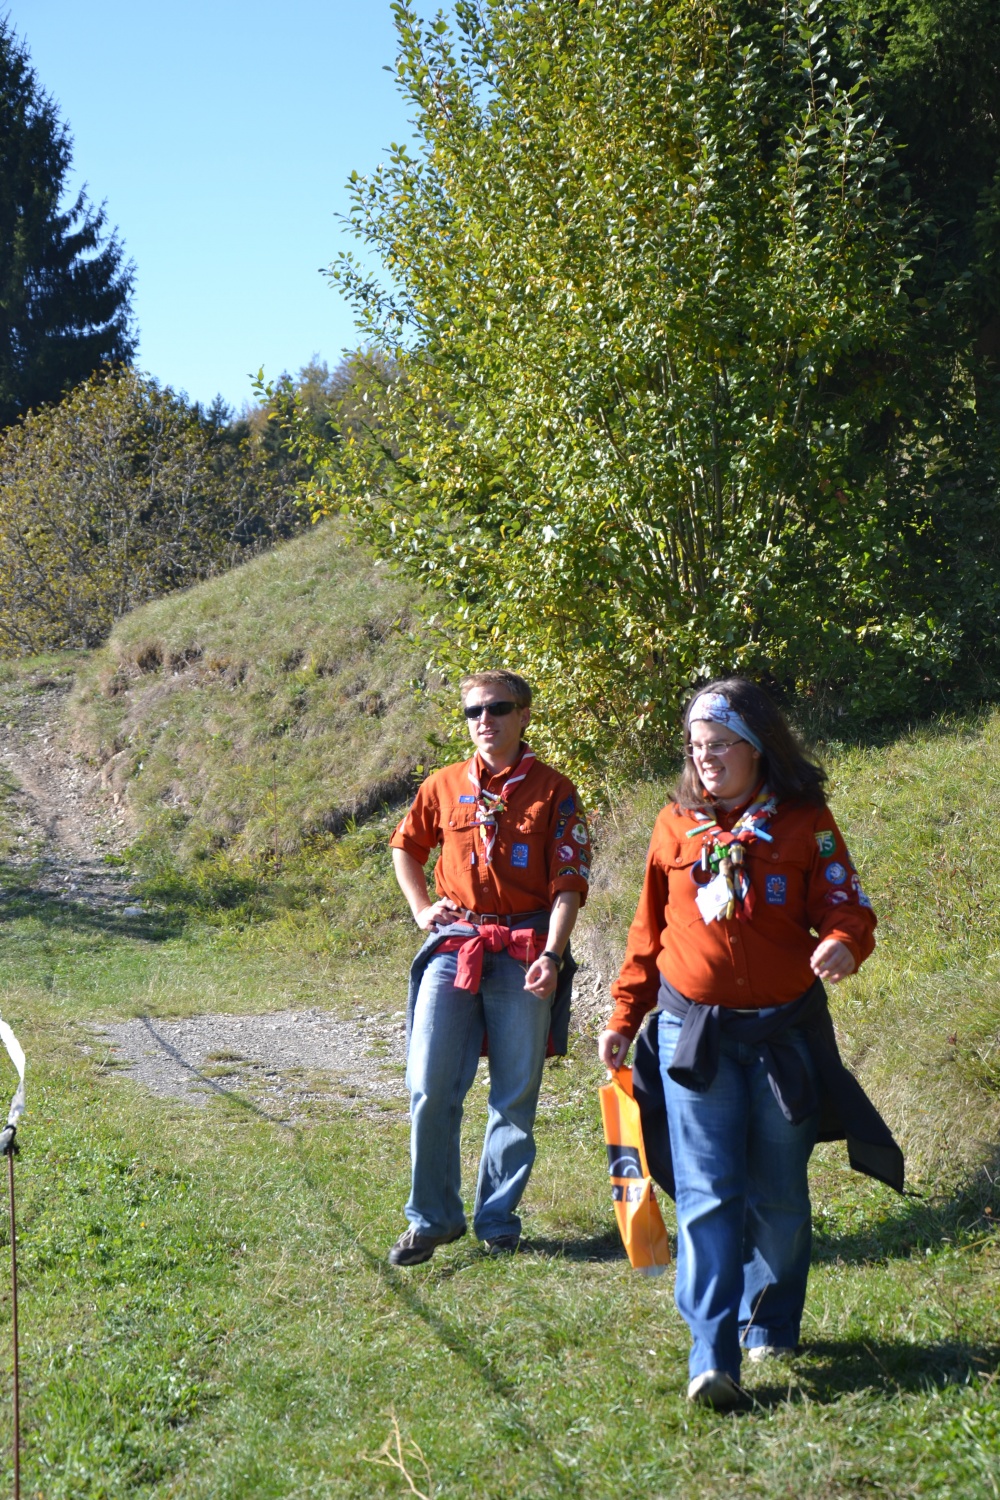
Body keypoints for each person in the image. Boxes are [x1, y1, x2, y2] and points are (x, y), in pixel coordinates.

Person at [598, 678, 900, 1410]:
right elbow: (649, 933)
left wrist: (840, 942)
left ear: (757, 748)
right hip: (691, 1032)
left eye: (720, 745)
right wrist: (621, 1015)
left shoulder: (805, 824)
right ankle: (712, 1353)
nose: (705, 759)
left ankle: (770, 1322)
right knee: (708, 1196)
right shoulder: (674, 825)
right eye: (696, 747)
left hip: (781, 1035)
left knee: (780, 1198)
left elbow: (845, 904)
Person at [388, 669, 590, 1265]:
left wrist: (552, 955)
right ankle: (433, 1219)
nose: (485, 720)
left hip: (526, 949)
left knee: (515, 1092)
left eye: (498, 708)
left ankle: (497, 1219)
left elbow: (569, 884)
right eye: (474, 711)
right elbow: (406, 846)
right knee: (429, 1084)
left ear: (523, 715)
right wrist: (422, 907)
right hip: (455, 947)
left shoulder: (555, 790)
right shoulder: (444, 785)